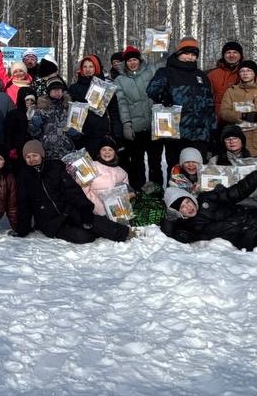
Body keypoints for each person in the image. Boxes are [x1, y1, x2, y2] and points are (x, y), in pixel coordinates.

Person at [146, 36, 217, 169]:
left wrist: (212, 129)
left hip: (199, 134)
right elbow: (151, 90)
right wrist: (163, 96)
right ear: (178, 53)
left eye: (193, 54)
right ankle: (174, 190)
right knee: (176, 169)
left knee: (198, 170)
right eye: (186, 53)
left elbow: (209, 104)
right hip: (176, 132)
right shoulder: (166, 72)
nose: (189, 57)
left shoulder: (201, 76)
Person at [14, 140, 99, 244]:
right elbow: (24, 204)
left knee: (100, 225)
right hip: (50, 222)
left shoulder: (55, 167)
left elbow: (72, 190)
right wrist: (22, 229)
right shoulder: (24, 176)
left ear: (41, 155)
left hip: (68, 212)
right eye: (28, 157)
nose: (32, 160)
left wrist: (85, 208)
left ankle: (124, 233)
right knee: (84, 236)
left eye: (35, 155)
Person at [112, 46, 164, 191]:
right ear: (125, 63)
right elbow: (122, 104)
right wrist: (126, 124)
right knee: (137, 163)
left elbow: (164, 63)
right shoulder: (120, 80)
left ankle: (156, 194)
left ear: (139, 60)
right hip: (136, 128)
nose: (132, 63)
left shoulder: (151, 72)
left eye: (135, 59)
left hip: (155, 127)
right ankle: (139, 193)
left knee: (155, 163)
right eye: (129, 60)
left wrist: (163, 44)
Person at [217, 59, 257, 157]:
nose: (245, 73)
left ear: (255, 73)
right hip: (237, 144)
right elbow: (224, 113)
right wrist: (242, 115)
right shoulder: (231, 92)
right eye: (242, 71)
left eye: (249, 70)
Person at [76, 139, 134, 243]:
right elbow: (82, 191)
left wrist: (129, 195)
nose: (107, 152)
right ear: (99, 152)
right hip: (95, 210)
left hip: (116, 213)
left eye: (110, 150)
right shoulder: (91, 166)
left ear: (115, 152)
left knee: (121, 187)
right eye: (104, 149)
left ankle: (119, 225)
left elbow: (125, 193)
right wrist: (95, 207)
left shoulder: (121, 172)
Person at [210, 124, 257, 208]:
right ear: (223, 142)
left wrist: (248, 192)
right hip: (225, 204)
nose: (231, 141)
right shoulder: (214, 161)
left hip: (251, 204)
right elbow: (210, 184)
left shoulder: (254, 161)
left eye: (235, 138)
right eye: (227, 139)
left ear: (242, 141)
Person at [28, 76, 78, 159]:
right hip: (48, 153)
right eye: (54, 90)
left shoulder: (70, 108)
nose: (57, 92)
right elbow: (33, 133)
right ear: (49, 91)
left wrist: (76, 133)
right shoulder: (41, 109)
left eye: (59, 90)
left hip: (67, 152)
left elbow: (79, 130)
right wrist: (35, 125)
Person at [207, 41, 251, 111]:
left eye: (235, 52)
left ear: (241, 55)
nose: (231, 55)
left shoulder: (251, 73)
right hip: (218, 119)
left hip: (242, 118)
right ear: (223, 55)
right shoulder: (212, 75)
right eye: (228, 52)